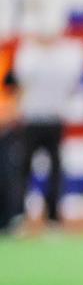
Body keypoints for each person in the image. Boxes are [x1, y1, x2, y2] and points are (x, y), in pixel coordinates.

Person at [13, 14, 83, 230]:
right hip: (31, 120)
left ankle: (53, 217)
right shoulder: (29, 56)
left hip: (53, 120)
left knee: (54, 170)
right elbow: (20, 83)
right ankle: (20, 215)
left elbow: (72, 86)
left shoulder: (64, 57)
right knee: (24, 170)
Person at [0, 38, 20, 234]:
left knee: (6, 175)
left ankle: (8, 219)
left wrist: (11, 115)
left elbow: (15, 92)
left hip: (4, 129)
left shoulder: (5, 61)